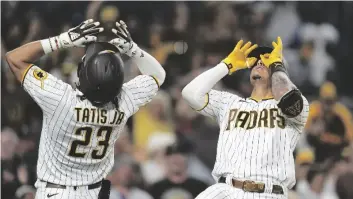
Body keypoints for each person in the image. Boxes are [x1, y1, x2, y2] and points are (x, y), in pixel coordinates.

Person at [5, 19, 166, 199]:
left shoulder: (61, 98)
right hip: (93, 193)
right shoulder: (125, 100)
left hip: (55, 192)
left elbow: (15, 58)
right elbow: (158, 75)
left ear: (83, 73)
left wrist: (63, 40)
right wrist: (133, 50)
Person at [182, 37, 309, 199]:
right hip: (226, 190)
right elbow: (190, 93)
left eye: (268, 60)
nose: (261, 62)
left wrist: (277, 65)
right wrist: (226, 65)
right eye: (257, 60)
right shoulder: (230, 102)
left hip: (268, 192)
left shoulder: (295, 105)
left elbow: (288, 96)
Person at [305, 81, 353, 163]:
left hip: (337, 150)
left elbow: (350, 137)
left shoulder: (342, 113)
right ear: (320, 99)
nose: (328, 105)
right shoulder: (313, 110)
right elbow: (302, 132)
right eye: (326, 100)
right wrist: (313, 130)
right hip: (316, 149)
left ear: (335, 100)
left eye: (331, 101)